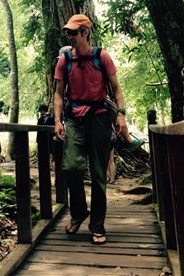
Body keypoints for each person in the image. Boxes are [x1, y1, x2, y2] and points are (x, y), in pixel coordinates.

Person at [54, 13, 129, 246]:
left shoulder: (102, 57)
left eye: (74, 32)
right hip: (75, 119)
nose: (70, 36)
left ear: (85, 32)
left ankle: (97, 226)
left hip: (98, 117)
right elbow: (58, 93)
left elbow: (116, 89)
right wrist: (57, 120)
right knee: (70, 166)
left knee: (98, 175)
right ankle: (78, 212)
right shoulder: (64, 60)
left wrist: (121, 115)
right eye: (68, 32)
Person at [36, 104, 55, 170]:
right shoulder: (52, 119)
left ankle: (45, 168)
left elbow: (38, 131)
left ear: (42, 111)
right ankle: (53, 168)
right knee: (53, 154)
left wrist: (37, 140)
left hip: (43, 141)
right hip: (52, 140)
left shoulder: (40, 120)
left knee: (44, 155)